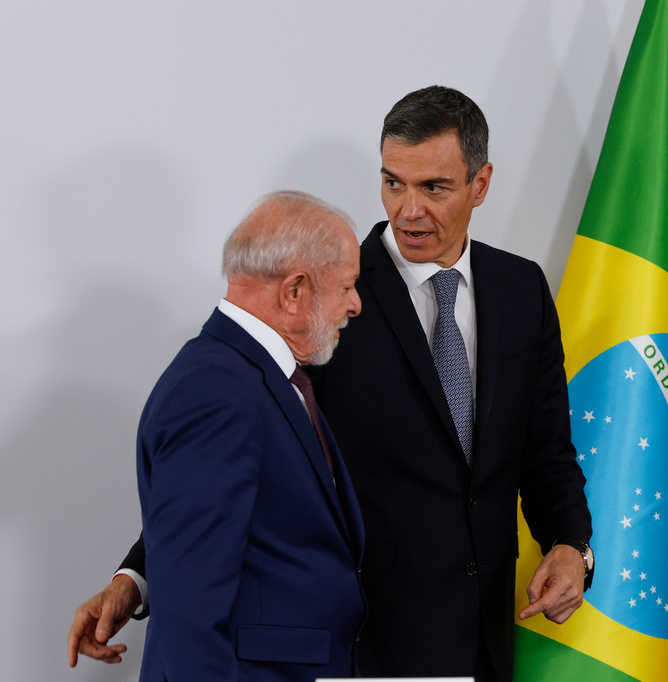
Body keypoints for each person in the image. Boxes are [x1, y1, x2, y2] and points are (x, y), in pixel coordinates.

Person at [68, 87, 592, 682]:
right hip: (366, 645)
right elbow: (222, 455)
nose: (409, 210)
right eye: (393, 183)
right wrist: (135, 576)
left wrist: (572, 546)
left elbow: (547, 452)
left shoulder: (522, 289)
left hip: (489, 635)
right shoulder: (323, 295)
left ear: (481, 182)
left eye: (434, 188)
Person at [134, 191, 367, 680]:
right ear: (295, 291)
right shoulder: (216, 392)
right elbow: (189, 614)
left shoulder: (252, 377)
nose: (356, 305)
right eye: (348, 286)